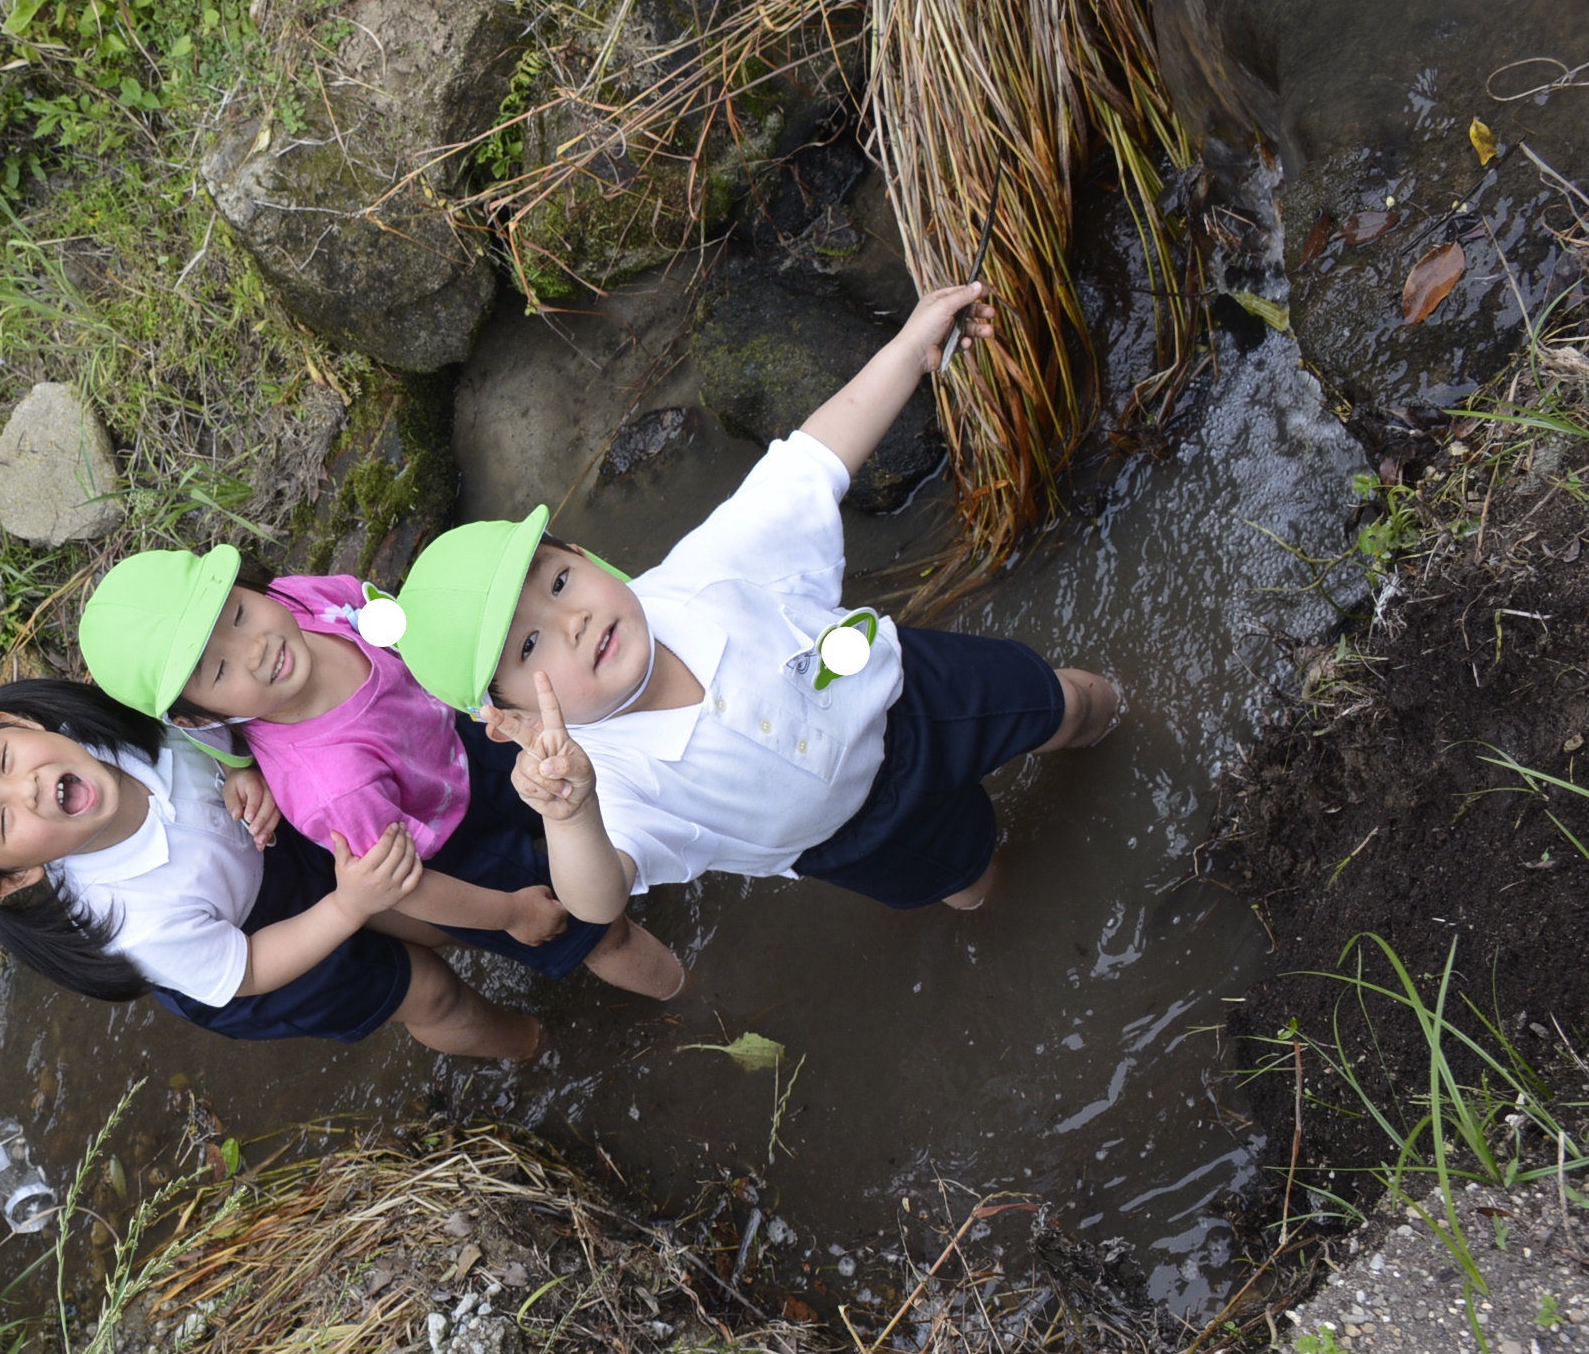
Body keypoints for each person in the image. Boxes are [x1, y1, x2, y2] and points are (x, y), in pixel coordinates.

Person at [376, 281, 1122, 916]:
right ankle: (1017, 900)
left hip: (915, 692)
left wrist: (908, 349)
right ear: (506, 719)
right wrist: (567, 816)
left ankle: (1125, 716)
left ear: (583, 554)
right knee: (968, 882)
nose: (571, 622)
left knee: (1065, 704)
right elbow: (596, 900)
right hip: (854, 838)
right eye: (529, 647)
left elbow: (815, 460)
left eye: (560, 581)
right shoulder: (611, 780)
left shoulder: (708, 571)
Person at [0, 677, 617, 1058]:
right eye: (5, 822)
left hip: (274, 852)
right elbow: (250, 967)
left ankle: (514, 931)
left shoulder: (106, 726)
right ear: (12, 879)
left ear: (17, 725)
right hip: (247, 957)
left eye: (5, 761)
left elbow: (210, 724)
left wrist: (242, 768)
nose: (29, 788)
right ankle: (529, 1043)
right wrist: (347, 910)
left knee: (422, 909)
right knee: (425, 990)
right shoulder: (128, 922)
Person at [75, 548, 685, 997]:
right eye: (216, 671)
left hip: (465, 736)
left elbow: (389, 623)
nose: (254, 650)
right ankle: (687, 995)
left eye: (235, 615)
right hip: (455, 848)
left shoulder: (299, 601)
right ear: (202, 715)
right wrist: (509, 913)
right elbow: (407, 884)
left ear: (248, 585)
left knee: (597, 783)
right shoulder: (329, 786)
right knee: (596, 928)